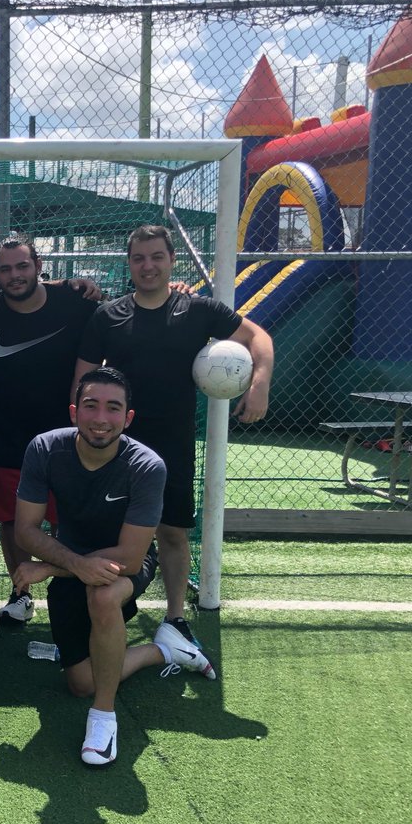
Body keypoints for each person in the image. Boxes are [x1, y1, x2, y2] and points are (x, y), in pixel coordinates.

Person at [74, 224, 274, 650]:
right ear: (129, 264)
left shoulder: (199, 311)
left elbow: (259, 338)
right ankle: (103, 609)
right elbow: (82, 380)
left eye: (156, 257)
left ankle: (176, 616)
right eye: (139, 258)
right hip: (117, 446)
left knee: (172, 533)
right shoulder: (107, 315)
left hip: (173, 443)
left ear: (171, 261)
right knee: (108, 531)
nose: (148, 266)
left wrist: (259, 385)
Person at [13, 367, 217, 767]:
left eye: (113, 408)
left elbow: (129, 557)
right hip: (72, 558)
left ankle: (103, 720)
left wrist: (51, 568)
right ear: (74, 411)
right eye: (91, 406)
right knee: (80, 683)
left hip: (127, 565)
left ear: (128, 418)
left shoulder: (146, 465)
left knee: (103, 595)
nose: (101, 418)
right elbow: (25, 529)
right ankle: (163, 650)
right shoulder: (44, 449)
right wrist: (70, 562)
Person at [0, 237, 99, 624]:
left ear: (38, 265)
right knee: (12, 521)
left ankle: (75, 588)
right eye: (6, 269)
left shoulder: (76, 304)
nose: (15, 275)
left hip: (65, 437)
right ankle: (20, 594)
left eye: (22, 266)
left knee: (69, 519)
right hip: (3, 434)